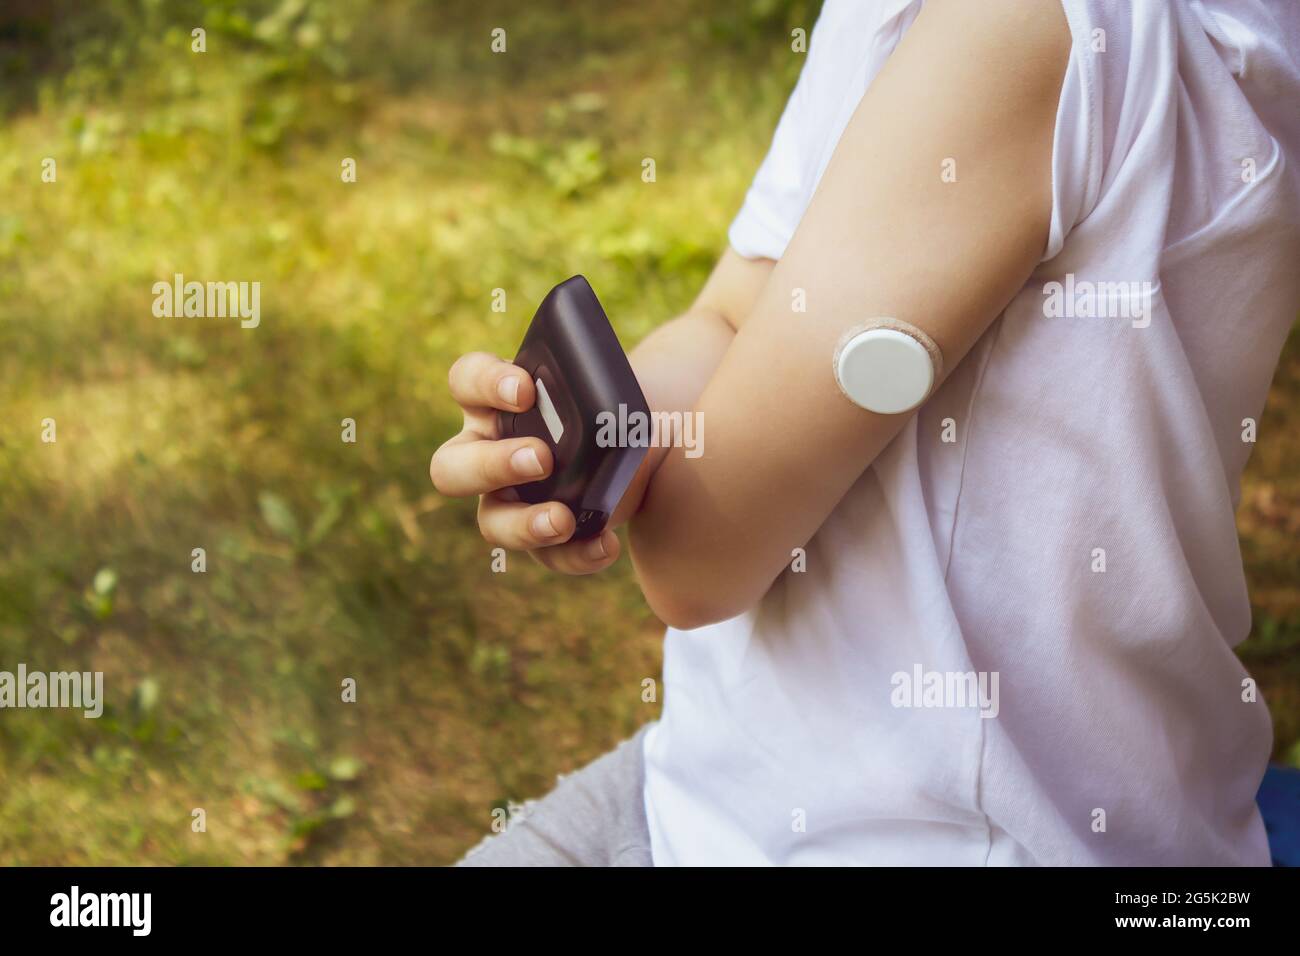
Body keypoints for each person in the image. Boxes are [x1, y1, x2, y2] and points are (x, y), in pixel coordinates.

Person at [431, 0, 1300, 865]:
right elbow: (735, 308)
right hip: (749, 770)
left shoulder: (1019, 27)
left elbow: (699, 562)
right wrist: (618, 422)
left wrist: (639, 473)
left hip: (907, 830)